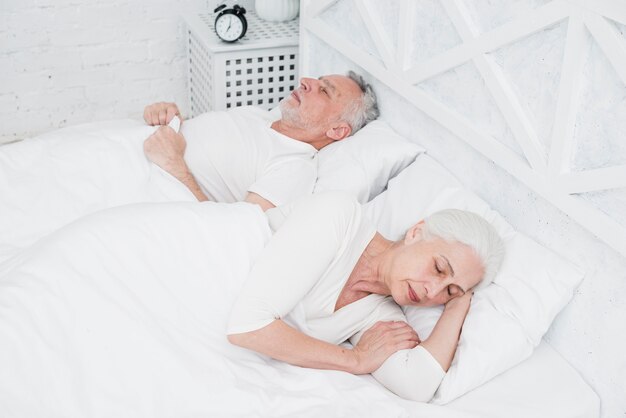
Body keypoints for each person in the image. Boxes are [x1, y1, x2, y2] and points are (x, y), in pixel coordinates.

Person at [227, 192, 505, 402]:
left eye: (448, 291)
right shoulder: (338, 216)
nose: (432, 291)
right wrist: (355, 360)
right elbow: (248, 326)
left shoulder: (380, 315)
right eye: (439, 268)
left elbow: (416, 384)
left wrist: (457, 307)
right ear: (416, 233)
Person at [142, 71, 379, 211]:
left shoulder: (294, 167)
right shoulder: (258, 116)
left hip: (142, 188)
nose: (306, 81)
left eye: (324, 91)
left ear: (337, 130)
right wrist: (166, 115)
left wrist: (173, 164)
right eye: (317, 80)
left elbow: (233, 235)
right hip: (132, 151)